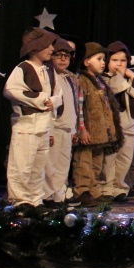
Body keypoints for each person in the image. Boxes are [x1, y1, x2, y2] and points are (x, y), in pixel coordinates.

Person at [4, 28, 60, 208]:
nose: (52, 49)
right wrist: (41, 99)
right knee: (22, 167)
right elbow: (11, 90)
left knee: (38, 168)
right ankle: (21, 201)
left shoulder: (48, 70)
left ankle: (36, 200)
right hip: (26, 127)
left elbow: (57, 94)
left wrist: (53, 102)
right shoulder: (23, 68)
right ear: (36, 46)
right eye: (48, 45)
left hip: (43, 127)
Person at [71, 43, 120, 207]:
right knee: (83, 163)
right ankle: (82, 191)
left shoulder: (100, 82)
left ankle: (93, 191)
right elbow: (79, 107)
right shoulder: (82, 81)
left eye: (104, 60)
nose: (103, 63)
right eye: (99, 59)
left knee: (96, 164)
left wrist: (109, 128)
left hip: (100, 132)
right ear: (86, 62)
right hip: (88, 131)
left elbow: (107, 108)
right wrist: (82, 129)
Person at [102, 41, 134, 202]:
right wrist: (123, 76)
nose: (119, 64)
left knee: (124, 160)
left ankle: (119, 188)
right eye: (115, 60)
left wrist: (131, 75)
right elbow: (116, 88)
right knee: (109, 160)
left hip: (129, 125)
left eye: (123, 61)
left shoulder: (127, 78)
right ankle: (107, 189)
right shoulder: (104, 78)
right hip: (113, 126)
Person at [43, 39, 79, 207]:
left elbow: (73, 104)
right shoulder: (49, 76)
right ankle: (48, 196)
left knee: (63, 165)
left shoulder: (68, 78)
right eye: (58, 55)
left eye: (67, 56)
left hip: (67, 127)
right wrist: (49, 130)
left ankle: (59, 195)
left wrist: (74, 129)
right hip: (55, 126)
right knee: (51, 165)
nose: (63, 59)